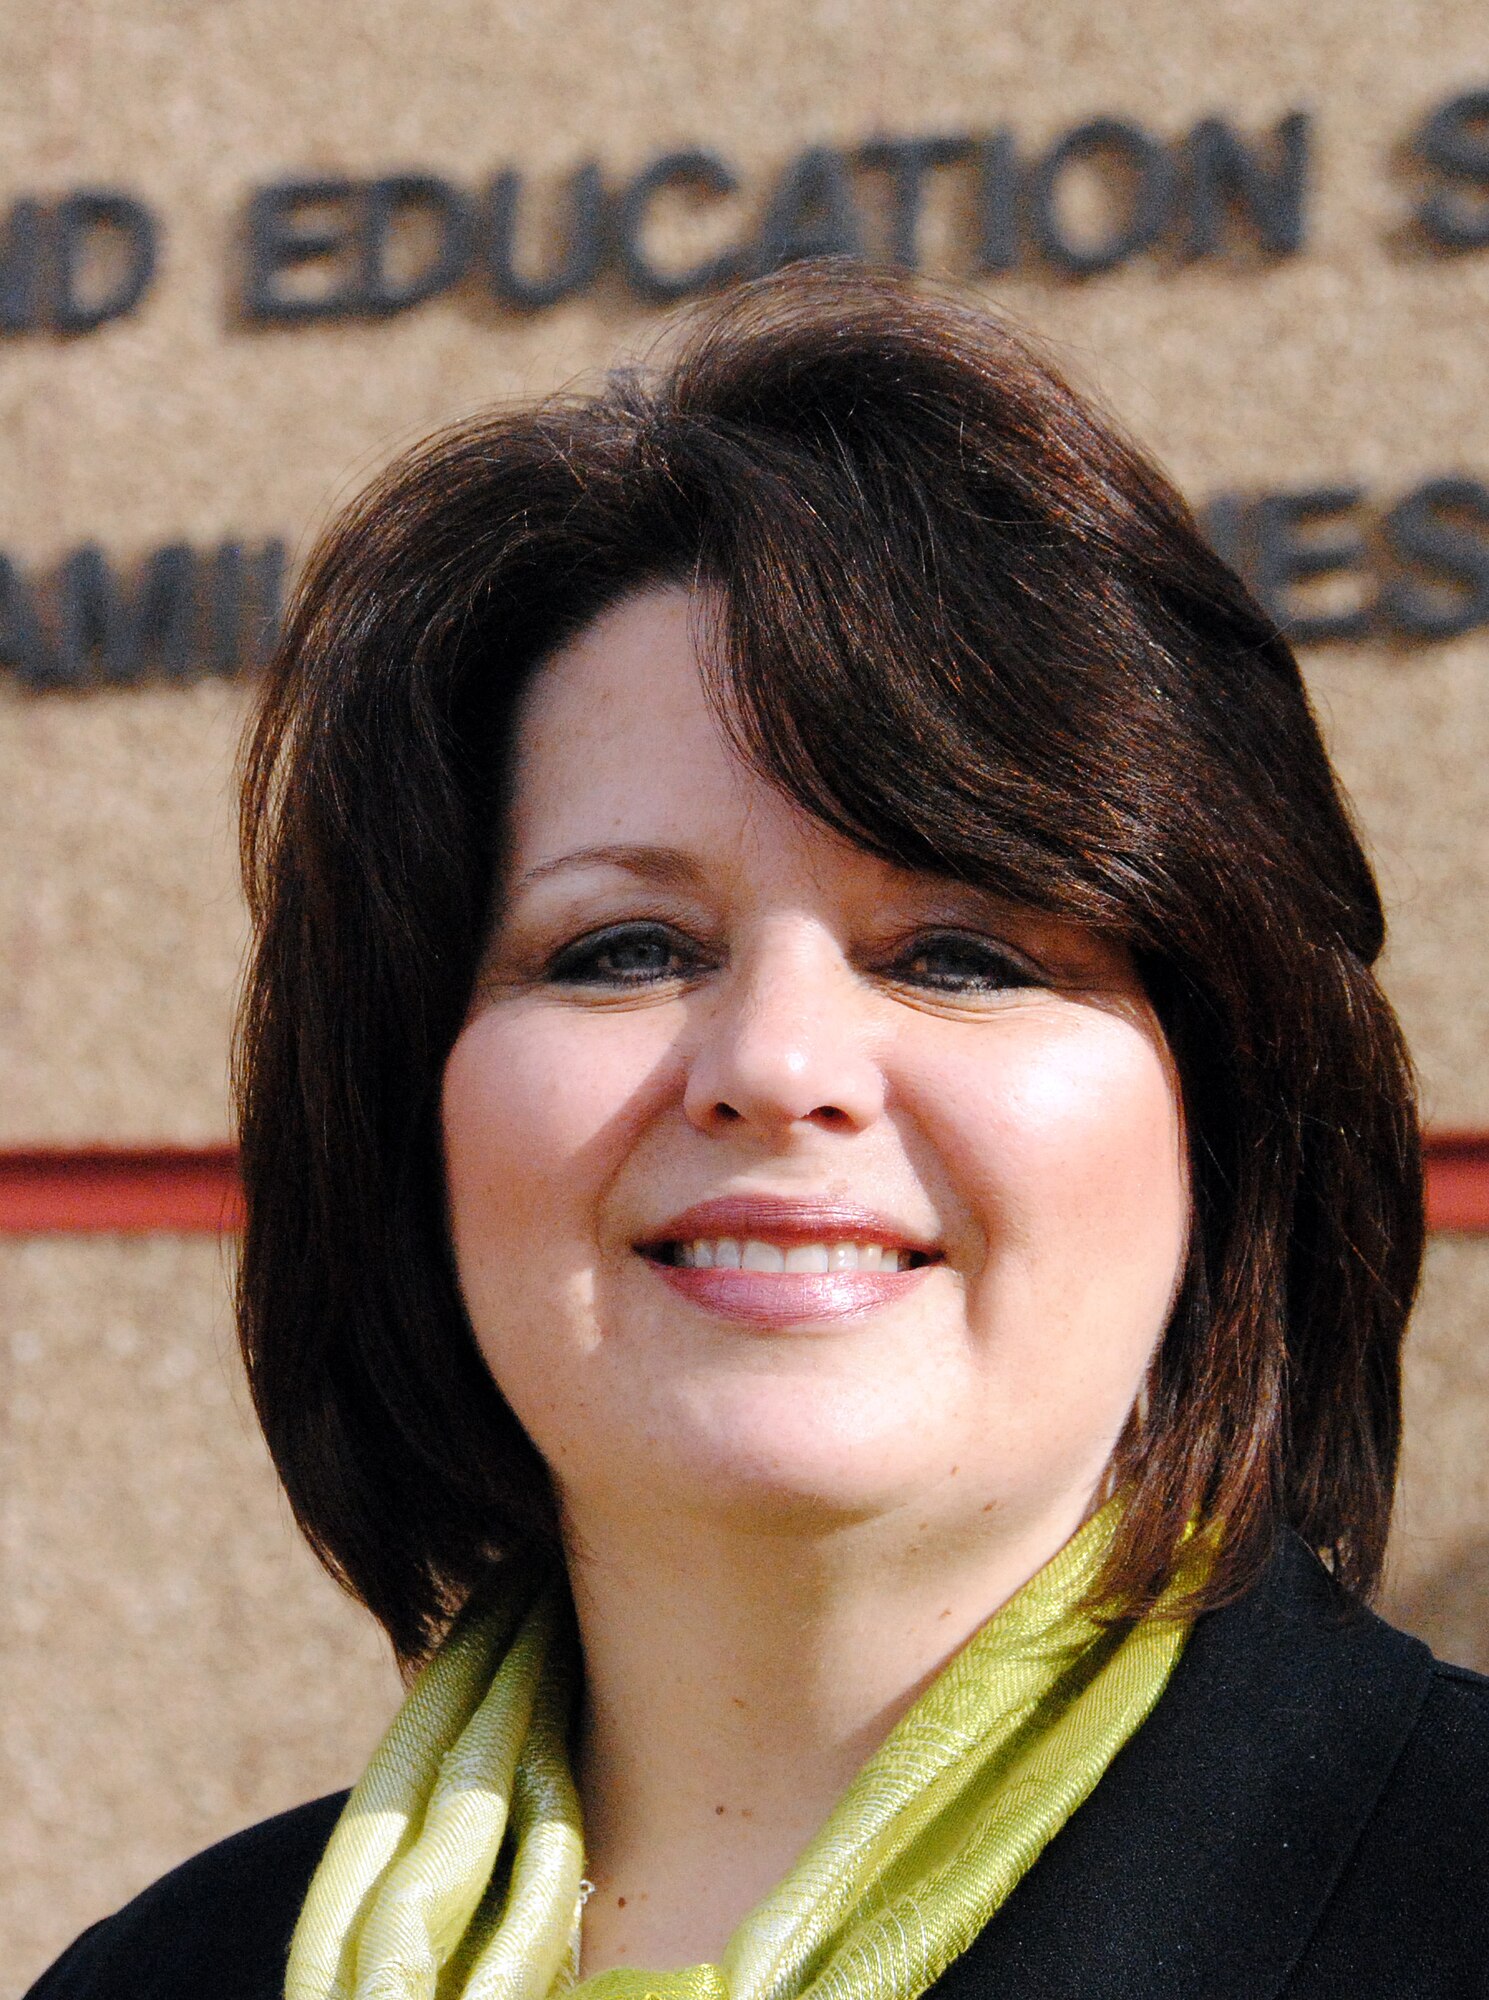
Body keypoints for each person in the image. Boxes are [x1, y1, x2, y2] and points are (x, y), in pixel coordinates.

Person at [28, 265, 1489, 2000]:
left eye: (962, 953)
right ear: (404, 1107)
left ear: (1223, 1120)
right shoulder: (161, 1978)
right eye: (621, 950)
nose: (780, 1063)